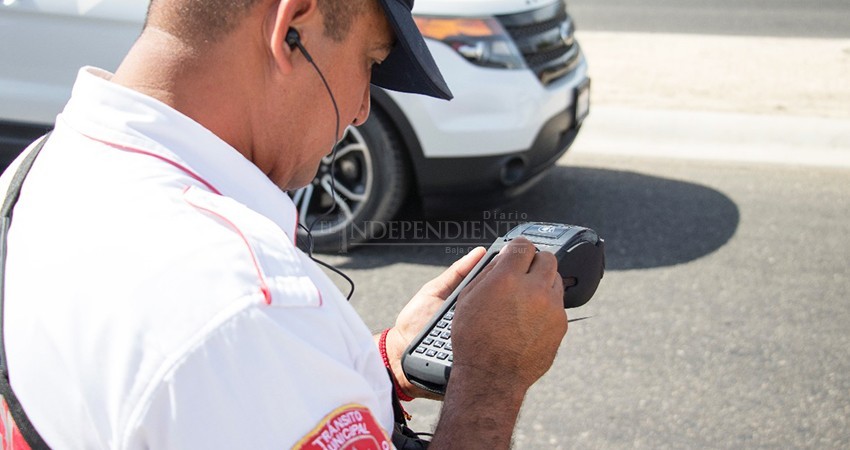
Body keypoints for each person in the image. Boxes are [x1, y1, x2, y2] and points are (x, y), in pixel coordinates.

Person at [0, 0, 568, 448]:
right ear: (291, 25)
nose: (363, 109)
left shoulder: (37, 172)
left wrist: (385, 361)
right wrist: (491, 379)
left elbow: (205, 408)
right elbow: (223, 350)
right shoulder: (239, 308)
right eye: (371, 63)